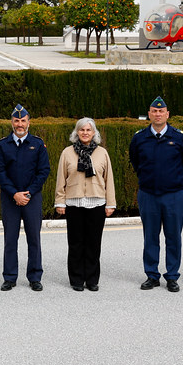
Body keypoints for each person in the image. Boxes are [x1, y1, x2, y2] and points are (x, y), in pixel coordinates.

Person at [128, 96, 183, 293]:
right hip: (148, 195)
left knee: (173, 236)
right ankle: (152, 275)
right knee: (150, 236)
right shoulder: (139, 138)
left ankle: (172, 276)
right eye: (154, 111)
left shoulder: (180, 138)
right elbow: (135, 162)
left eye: (161, 111)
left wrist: (172, 179)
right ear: (149, 114)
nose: (158, 114)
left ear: (167, 114)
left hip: (173, 195)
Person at [0, 104, 50, 292]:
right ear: (12, 123)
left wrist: (28, 193)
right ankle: (9, 277)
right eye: (16, 121)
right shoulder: (2, 145)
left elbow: (43, 171)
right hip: (10, 199)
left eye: (23, 121)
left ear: (28, 123)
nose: (19, 124)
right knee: (10, 239)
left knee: (34, 239)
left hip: (32, 199)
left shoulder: (38, 144)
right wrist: (14, 193)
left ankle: (35, 277)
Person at [54, 118, 116, 291]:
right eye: (82, 130)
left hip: (96, 203)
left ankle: (92, 279)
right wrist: (60, 201)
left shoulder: (102, 153)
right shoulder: (67, 153)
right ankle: (76, 279)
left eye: (89, 130)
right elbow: (61, 179)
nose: (85, 133)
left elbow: (108, 179)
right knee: (75, 243)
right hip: (74, 203)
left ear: (94, 133)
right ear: (76, 132)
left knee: (93, 243)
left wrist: (110, 203)